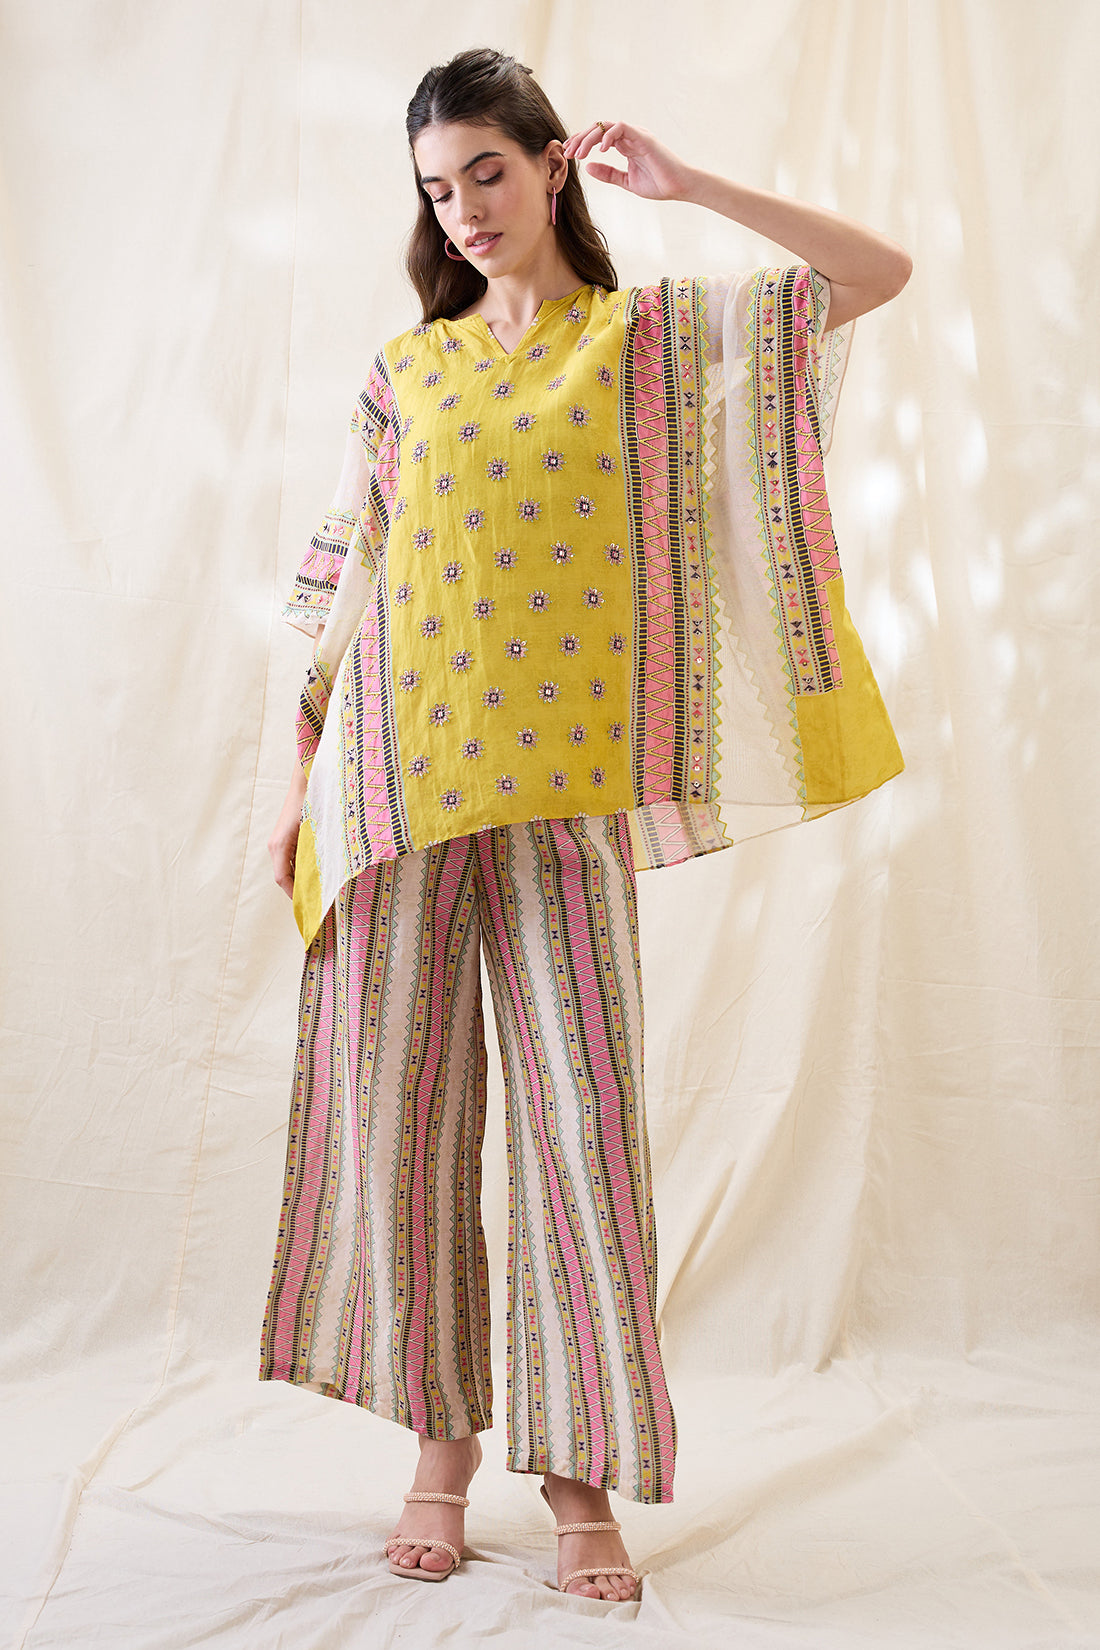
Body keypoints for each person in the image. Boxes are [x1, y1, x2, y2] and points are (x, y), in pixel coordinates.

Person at [262, 46, 910, 1602]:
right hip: (395, 795)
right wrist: (286, 785)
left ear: (555, 164)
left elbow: (874, 274)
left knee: (580, 1130)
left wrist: (694, 186)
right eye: (439, 187)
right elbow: (342, 594)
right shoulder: (405, 373)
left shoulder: (650, 343)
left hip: (563, 806)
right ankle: (438, 1456)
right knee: (403, 1131)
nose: (465, 209)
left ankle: (577, 1474)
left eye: (489, 170)